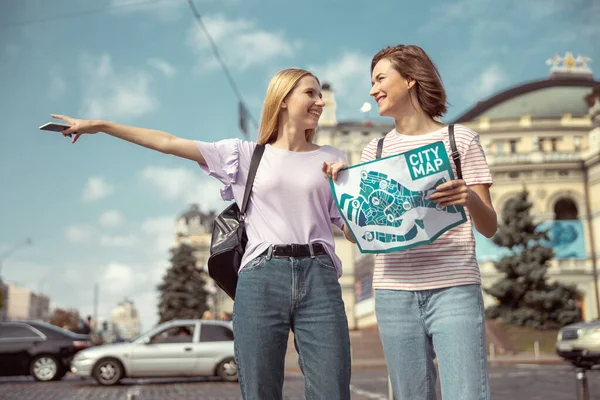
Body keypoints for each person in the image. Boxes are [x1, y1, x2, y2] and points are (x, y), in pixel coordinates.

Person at [51, 67, 354, 400]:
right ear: (282, 99)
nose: (319, 101)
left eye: (320, 94)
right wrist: (101, 126)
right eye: (310, 93)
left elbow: (353, 230)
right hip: (262, 278)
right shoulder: (244, 154)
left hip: (320, 278)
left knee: (332, 389)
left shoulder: (332, 158)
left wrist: (353, 189)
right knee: (260, 390)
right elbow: (168, 143)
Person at [323, 45, 497, 400]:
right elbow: (360, 236)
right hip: (393, 294)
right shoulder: (376, 151)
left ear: (411, 79)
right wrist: (343, 191)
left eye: (380, 79)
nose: (372, 90)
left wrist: (469, 198)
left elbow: (490, 225)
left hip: (454, 289)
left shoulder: (459, 140)